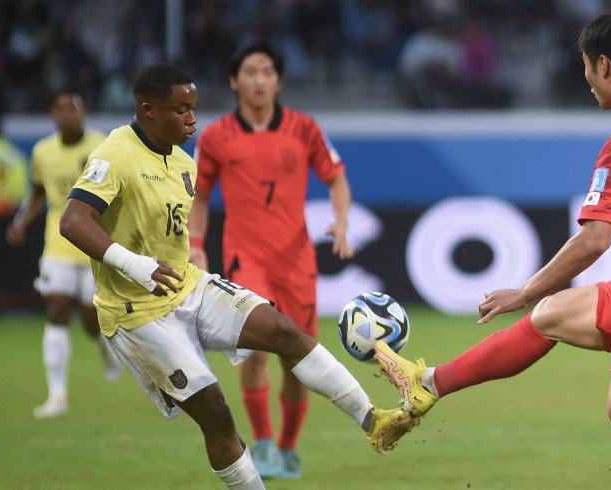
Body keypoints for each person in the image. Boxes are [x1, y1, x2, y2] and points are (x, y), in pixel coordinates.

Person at [375, 13, 611, 490]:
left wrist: (522, 290)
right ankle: (429, 384)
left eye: (584, 66)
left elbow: (594, 240)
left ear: (604, 66)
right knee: (551, 314)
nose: (585, 78)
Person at [59, 63, 415, 490]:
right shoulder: (115, 155)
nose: (192, 119)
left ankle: (373, 419)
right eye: (181, 109)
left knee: (284, 330)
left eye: (194, 108)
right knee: (216, 414)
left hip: (187, 286)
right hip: (137, 313)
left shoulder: (183, 162)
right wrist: (134, 264)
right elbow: (73, 221)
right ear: (148, 110)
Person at [188, 42, 354, 480]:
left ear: (278, 80)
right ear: (234, 80)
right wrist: (196, 243)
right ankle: (261, 442)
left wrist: (340, 222)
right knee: (256, 352)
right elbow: (198, 197)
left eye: (266, 72)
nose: (259, 80)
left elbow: (337, 179)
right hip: (246, 259)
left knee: (298, 357)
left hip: (297, 261)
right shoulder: (216, 136)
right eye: (250, 72)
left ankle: (288, 447)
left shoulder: (304, 129)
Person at [6, 90, 120, 418]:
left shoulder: (101, 145)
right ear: (52, 115)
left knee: (90, 318)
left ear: (84, 112)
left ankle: (102, 345)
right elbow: (39, 192)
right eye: (60, 110)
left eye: (73, 108)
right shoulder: (43, 151)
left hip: (94, 240)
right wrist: (20, 222)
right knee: (56, 308)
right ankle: (57, 396)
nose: (67, 115)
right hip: (58, 240)